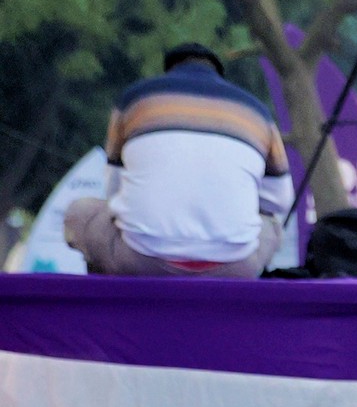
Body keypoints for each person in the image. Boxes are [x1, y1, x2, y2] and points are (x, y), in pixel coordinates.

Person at [64, 45, 289, 278]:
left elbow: (114, 189)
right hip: (236, 266)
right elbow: (281, 201)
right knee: (271, 226)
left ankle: (109, 297)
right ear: (218, 75)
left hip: (140, 260)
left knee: (80, 212)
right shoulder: (257, 112)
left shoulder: (134, 100)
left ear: (169, 71)